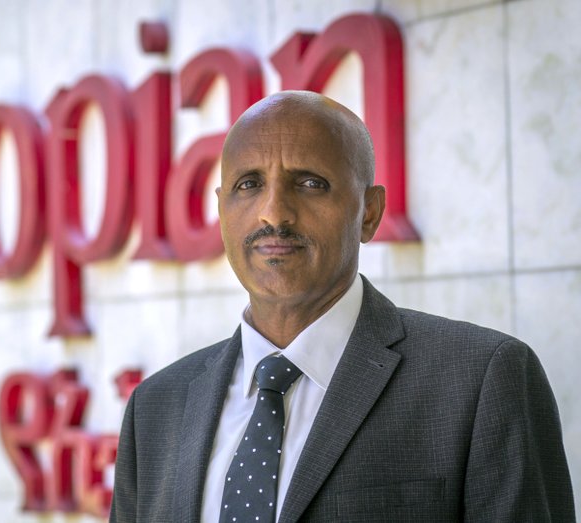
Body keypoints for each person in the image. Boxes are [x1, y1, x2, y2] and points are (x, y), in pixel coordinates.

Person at [110, 91, 575, 522]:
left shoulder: (480, 381)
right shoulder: (155, 408)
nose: (273, 212)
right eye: (249, 184)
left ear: (368, 213)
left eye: (310, 183)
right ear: (221, 210)